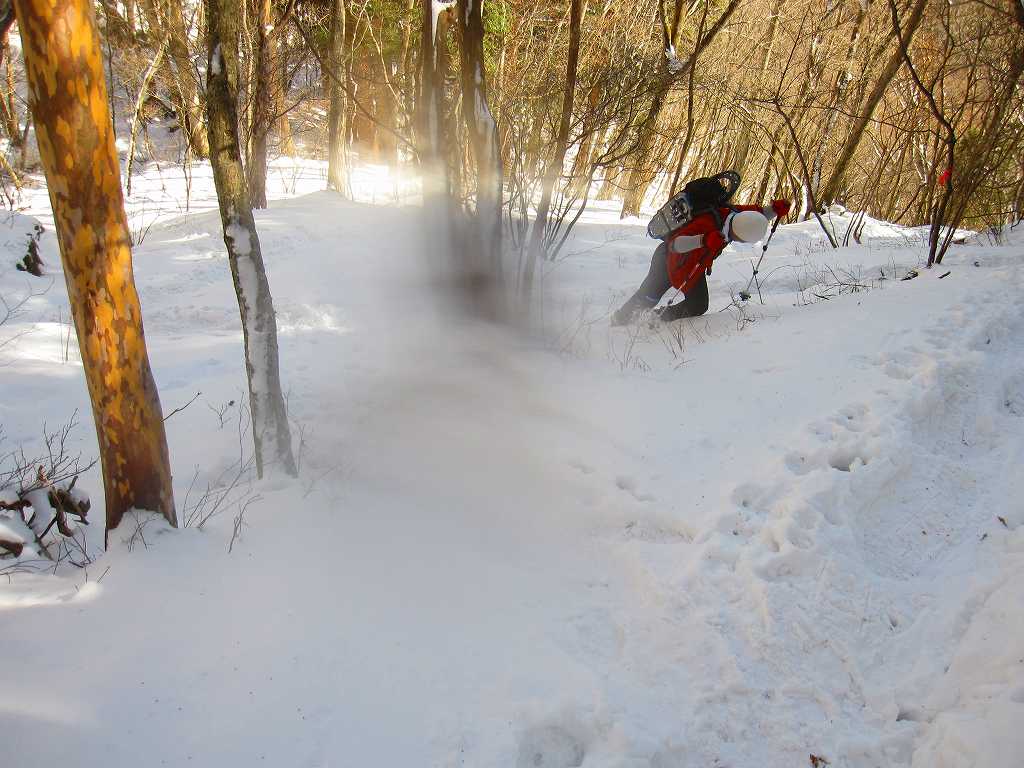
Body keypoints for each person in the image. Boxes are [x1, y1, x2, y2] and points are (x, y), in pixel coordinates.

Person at [612, 197, 792, 324]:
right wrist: (703, 240)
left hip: (694, 266)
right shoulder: (709, 222)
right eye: (743, 240)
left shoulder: (737, 215)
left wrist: (775, 210)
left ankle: (657, 318)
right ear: (739, 235)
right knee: (648, 297)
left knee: (698, 304)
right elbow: (675, 245)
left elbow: (756, 216)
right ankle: (619, 321)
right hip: (668, 260)